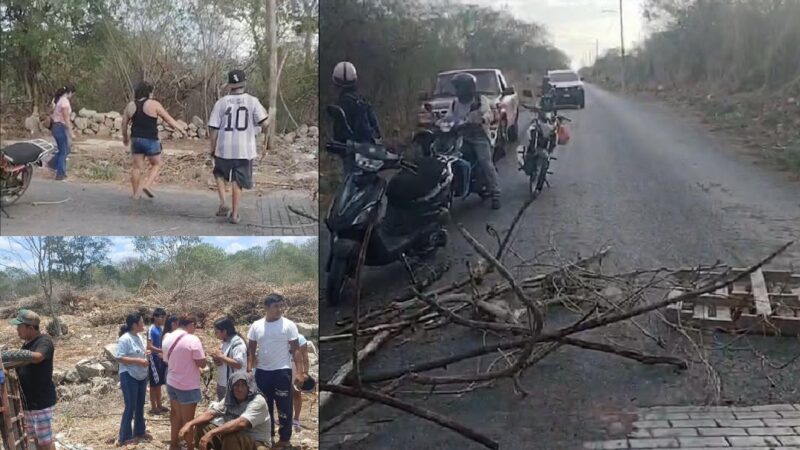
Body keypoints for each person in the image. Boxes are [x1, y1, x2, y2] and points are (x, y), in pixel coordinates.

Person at [207, 69, 270, 224]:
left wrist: (212, 148)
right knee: (238, 181)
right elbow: (265, 123)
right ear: (244, 83)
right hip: (244, 148)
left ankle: (223, 203)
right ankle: (235, 215)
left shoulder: (221, 102)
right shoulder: (252, 101)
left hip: (224, 146)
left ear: (229, 85)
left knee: (219, 173)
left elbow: (213, 128)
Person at [246, 294, 304, 448]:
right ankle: (268, 436)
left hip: (282, 371)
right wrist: (249, 369)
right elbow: (251, 349)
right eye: (276, 306)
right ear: (266, 308)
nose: (280, 309)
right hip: (263, 372)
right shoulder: (256, 326)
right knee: (264, 405)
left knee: (284, 406)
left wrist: (299, 372)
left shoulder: (289, 325)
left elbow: (296, 349)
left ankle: (284, 439)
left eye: (281, 306)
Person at [442, 72, 501, 209]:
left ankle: (496, 193)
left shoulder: (480, 100)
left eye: (459, 88)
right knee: (448, 157)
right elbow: (449, 116)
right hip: (461, 135)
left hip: (479, 135)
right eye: (456, 88)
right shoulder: (455, 103)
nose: (457, 91)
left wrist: (483, 119)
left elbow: (488, 113)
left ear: (468, 88)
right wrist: (442, 122)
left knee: (485, 162)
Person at [121, 81, 186, 199]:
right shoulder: (153, 104)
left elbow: (124, 124)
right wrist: (180, 129)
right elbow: (169, 119)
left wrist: (125, 138)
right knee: (157, 163)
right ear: (149, 92)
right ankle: (147, 185)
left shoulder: (130, 105)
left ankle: (136, 194)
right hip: (150, 139)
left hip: (136, 139)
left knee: (136, 167)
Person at [179, 373, 270, 450]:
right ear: (231, 387)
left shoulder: (257, 401)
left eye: (243, 385)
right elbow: (211, 413)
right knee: (202, 427)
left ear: (249, 387)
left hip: (257, 442)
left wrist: (212, 433)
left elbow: (241, 423)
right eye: (236, 385)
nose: (240, 389)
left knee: (231, 436)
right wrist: (190, 424)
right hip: (233, 440)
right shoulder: (230, 398)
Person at [9, 309, 57, 450]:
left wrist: (15, 355)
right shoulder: (26, 345)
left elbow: (38, 357)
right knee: (36, 439)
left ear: (30, 327)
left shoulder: (44, 341)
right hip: (30, 403)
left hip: (41, 402)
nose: (17, 330)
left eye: (19, 326)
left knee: (45, 441)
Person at [162, 314, 207, 450]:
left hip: (171, 382)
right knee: (189, 420)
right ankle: (189, 447)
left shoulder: (167, 337)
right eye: (195, 325)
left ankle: (174, 444)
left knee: (175, 415)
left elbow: (166, 360)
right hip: (187, 385)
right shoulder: (192, 339)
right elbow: (202, 363)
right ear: (191, 324)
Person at [115, 312, 151, 446]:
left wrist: (145, 354)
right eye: (141, 322)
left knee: (140, 404)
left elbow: (140, 352)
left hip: (141, 375)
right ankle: (125, 436)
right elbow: (119, 357)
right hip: (129, 375)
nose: (143, 324)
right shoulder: (125, 339)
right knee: (130, 405)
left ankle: (139, 431)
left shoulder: (139, 337)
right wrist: (138, 360)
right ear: (135, 325)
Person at [332, 61, 381, 144]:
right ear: (355, 80)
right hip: (367, 148)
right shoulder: (362, 102)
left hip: (349, 150)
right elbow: (376, 130)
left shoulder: (340, 105)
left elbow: (338, 136)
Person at [210, 317, 247, 401]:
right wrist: (216, 358)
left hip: (234, 386)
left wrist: (221, 356)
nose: (215, 334)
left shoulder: (237, 343)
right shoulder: (224, 342)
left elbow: (238, 364)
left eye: (217, 332)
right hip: (223, 383)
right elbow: (223, 362)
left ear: (224, 331)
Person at [49, 84, 76, 181]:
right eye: (72, 94)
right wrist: (71, 132)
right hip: (60, 127)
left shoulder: (59, 100)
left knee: (65, 150)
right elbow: (66, 119)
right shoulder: (65, 102)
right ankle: (60, 174)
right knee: (64, 151)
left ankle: (52, 164)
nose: (72, 96)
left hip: (56, 127)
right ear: (69, 93)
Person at [148, 307, 169, 415]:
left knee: (159, 383)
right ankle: (153, 407)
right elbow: (149, 346)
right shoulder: (151, 329)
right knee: (153, 384)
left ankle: (159, 405)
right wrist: (161, 350)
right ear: (155, 317)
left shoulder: (161, 328)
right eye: (161, 317)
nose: (163, 319)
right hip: (153, 359)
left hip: (160, 358)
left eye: (164, 317)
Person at [291, 334, 312, 431]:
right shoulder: (281, 337)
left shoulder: (300, 338)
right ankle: (286, 417)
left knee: (296, 393)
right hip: (283, 366)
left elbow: (305, 357)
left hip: (296, 368)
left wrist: (305, 373)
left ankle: (296, 418)